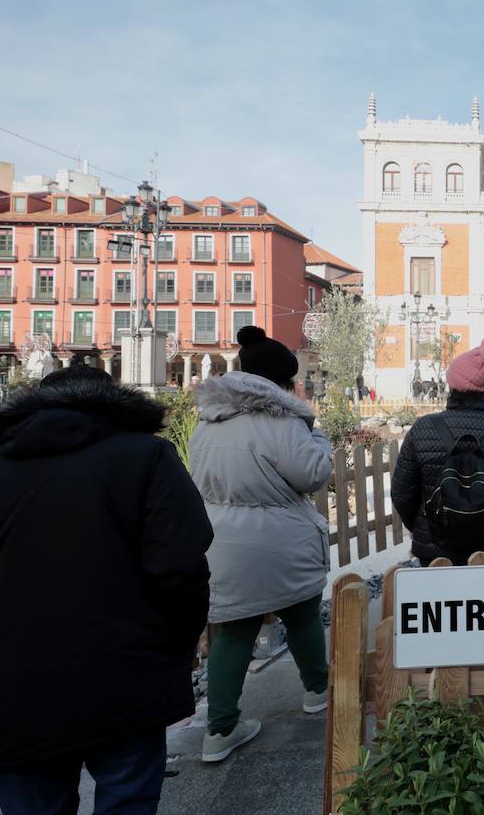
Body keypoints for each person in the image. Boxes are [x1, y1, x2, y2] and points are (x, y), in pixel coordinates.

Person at [0, 365, 212, 811]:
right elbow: (182, 569)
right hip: (129, 680)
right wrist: (175, 650)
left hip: (18, 691)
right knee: (127, 798)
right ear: (112, 402)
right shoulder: (147, 458)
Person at [190, 326, 334, 763]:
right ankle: (317, 692)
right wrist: (319, 438)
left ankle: (220, 729)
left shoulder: (209, 419)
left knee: (233, 631)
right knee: (303, 613)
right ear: (282, 381)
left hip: (221, 541)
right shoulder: (282, 420)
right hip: (277, 539)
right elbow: (312, 474)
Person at [392, 336, 484, 566]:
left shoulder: (423, 428)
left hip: (436, 547)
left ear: (452, 384)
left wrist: (424, 524)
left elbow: (401, 492)